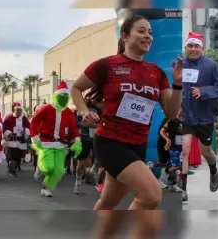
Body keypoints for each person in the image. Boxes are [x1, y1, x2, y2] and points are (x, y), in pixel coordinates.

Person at [70, 14, 181, 239]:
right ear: (125, 36)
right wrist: (84, 111)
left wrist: (178, 83)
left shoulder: (157, 73)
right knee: (151, 196)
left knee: (107, 205)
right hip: (111, 142)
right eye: (141, 31)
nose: (148, 36)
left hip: (137, 146)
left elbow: (171, 112)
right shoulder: (108, 64)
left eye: (150, 32)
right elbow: (76, 89)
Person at [181, 32, 218, 202]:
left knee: (206, 151)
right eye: (190, 46)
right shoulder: (180, 64)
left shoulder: (211, 66)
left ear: (202, 48)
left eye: (196, 46)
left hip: (205, 116)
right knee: (184, 150)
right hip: (185, 114)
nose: (193, 49)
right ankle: (183, 188)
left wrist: (204, 91)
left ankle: (214, 170)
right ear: (185, 48)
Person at [30, 81, 83, 197]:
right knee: (48, 166)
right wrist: (35, 137)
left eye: (66, 97)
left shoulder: (69, 113)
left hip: (60, 145)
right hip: (45, 143)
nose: (63, 99)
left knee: (59, 171)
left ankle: (46, 188)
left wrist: (77, 142)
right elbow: (34, 121)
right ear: (56, 96)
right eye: (61, 97)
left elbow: (74, 129)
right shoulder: (46, 109)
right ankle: (40, 168)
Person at [74, 86, 103, 195]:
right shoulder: (83, 107)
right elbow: (77, 122)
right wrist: (86, 124)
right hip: (84, 137)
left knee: (101, 160)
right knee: (81, 162)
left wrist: (98, 125)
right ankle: (77, 183)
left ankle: (97, 180)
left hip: (96, 137)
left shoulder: (100, 109)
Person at [157, 109, 183, 192]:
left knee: (179, 167)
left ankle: (173, 185)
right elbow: (161, 131)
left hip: (182, 147)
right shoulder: (171, 120)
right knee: (178, 166)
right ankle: (164, 175)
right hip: (174, 147)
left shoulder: (186, 121)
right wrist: (168, 140)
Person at [2, 102, 30, 177]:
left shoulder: (24, 118)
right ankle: (12, 169)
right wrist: (8, 133)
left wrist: (25, 131)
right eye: (17, 110)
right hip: (12, 139)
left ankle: (14, 166)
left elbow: (28, 127)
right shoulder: (9, 118)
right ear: (14, 110)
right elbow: (5, 128)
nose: (18, 112)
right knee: (12, 155)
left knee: (18, 155)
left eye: (20, 110)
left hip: (21, 139)